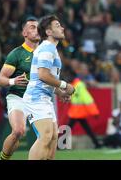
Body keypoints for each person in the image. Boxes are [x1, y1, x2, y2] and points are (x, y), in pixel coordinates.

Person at [23, 15, 75, 160]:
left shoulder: (51, 48)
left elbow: (47, 80)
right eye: (57, 25)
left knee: (52, 138)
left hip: (44, 97)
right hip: (36, 98)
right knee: (46, 136)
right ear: (48, 32)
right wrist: (65, 85)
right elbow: (43, 75)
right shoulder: (47, 48)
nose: (62, 27)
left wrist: (59, 92)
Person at [0, 17, 40, 160]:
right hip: (18, 96)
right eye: (32, 27)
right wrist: (13, 80)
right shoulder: (17, 53)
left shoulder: (44, 53)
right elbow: (0, 80)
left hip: (37, 99)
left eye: (38, 27)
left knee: (48, 136)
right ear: (24, 33)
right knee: (18, 131)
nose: (36, 29)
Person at [66, 72, 101, 149]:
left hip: (77, 112)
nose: (67, 79)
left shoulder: (78, 85)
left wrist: (94, 112)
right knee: (87, 129)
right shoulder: (76, 84)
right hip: (78, 112)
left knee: (68, 128)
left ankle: (60, 145)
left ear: (72, 77)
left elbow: (87, 99)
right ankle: (97, 143)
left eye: (68, 77)